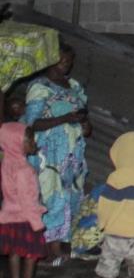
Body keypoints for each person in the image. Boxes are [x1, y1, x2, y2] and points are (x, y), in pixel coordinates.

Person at [22, 43, 90, 266]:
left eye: (69, 61)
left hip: (73, 154)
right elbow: (31, 124)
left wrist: (85, 126)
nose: (67, 65)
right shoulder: (39, 86)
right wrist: (64, 120)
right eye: (62, 60)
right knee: (52, 197)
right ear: (49, 60)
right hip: (49, 155)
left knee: (71, 196)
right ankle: (49, 248)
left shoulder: (73, 86)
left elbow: (82, 116)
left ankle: (63, 242)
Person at [96, 132, 134, 278]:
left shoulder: (116, 177)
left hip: (117, 232)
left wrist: (101, 224)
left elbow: (106, 205)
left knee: (108, 267)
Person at [0, 124, 46, 278]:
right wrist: (36, 223)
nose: (34, 143)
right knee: (30, 255)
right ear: (16, 144)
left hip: (9, 217)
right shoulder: (24, 170)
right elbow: (27, 201)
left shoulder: (6, 164)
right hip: (26, 219)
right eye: (29, 141)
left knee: (14, 252)